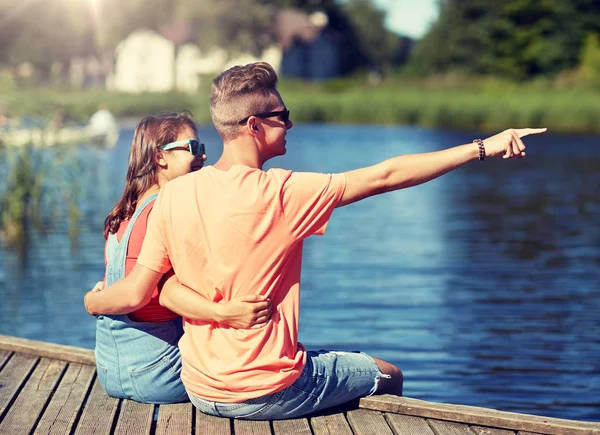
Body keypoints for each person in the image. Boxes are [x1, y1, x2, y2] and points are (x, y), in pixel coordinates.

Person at [84, 62, 546, 419]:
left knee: (318, 354)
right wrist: (483, 147)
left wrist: (221, 312)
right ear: (254, 126)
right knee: (387, 374)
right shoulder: (283, 192)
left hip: (202, 388)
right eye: (282, 115)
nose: (290, 123)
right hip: (267, 390)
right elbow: (385, 175)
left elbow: (160, 286)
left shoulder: (175, 194)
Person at [90, 112, 271, 404]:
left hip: (111, 370)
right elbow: (142, 294)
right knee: (254, 374)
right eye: (194, 148)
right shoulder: (168, 206)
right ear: (161, 158)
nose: (204, 155)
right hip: (158, 372)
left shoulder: (122, 213)